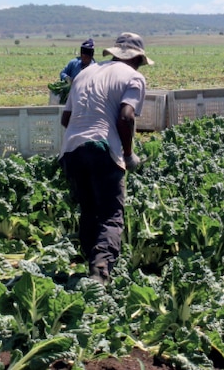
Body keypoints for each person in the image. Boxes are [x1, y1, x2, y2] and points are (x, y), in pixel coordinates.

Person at [59, 32, 154, 284]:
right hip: (102, 148)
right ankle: (100, 271)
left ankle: (91, 268)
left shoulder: (84, 73)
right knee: (112, 215)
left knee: (89, 210)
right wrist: (128, 153)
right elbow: (126, 117)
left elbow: (65, 120)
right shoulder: (133, 77)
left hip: (71, 149)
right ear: (136, 59)